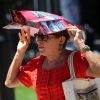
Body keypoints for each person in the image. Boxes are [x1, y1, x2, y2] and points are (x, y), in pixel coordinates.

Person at [5, 11, 100, 100]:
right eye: (38, 36)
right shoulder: (36, 65)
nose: (38, 40)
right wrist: (19, 52)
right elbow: (10, 82)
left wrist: (81, 44)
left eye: (44, 36)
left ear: (61, 40)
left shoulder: (77, 60)